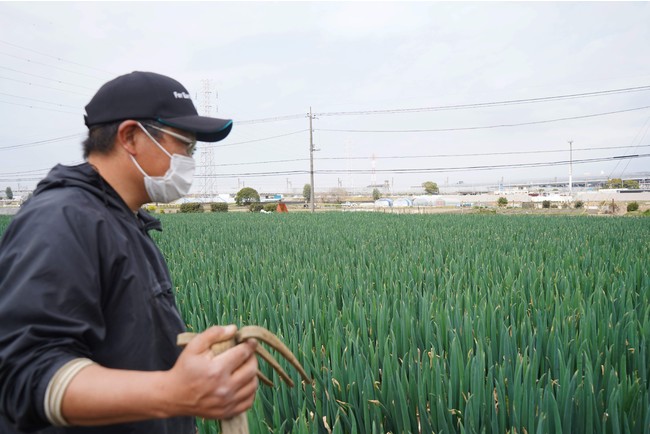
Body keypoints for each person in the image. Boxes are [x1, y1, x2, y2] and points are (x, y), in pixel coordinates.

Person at [0, 71, 259, 433]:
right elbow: (25, 375)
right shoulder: (62, 220)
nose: (190, 158)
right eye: (185, 143)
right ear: (131, 137)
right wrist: (174, 391)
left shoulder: (126, 221)